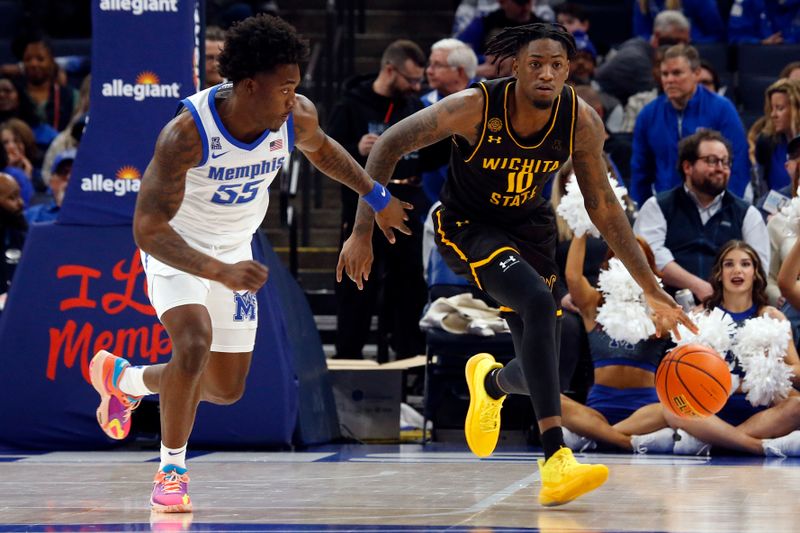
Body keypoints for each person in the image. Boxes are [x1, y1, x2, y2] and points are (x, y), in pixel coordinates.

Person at [337, 22, 694, 506]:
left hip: (531, 230)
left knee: (539, 367)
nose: (546, 74)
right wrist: (364, 227)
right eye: (535, 64)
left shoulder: (581, 120)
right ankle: (555, 461)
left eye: (557, 66)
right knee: (536, 304)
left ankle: (488, 382)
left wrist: (650, 286)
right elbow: (387, 146)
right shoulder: (475, 106)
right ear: (516, 67)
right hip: (469, 227)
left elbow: (604, 207)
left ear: (568, 70)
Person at [87, 14, 412, 513]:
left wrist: (376, 192)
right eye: (283, 89)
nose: (292, 99)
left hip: (237, 249)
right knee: (192, 345)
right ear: (247, 85)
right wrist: (216, 272)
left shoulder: (295, 115)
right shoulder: (185, 135)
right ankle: (171, 469)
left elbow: (323, 151)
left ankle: (124, 381)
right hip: (180, 249)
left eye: (295, 88)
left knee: (223, 388)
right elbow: (148, 230)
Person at [327, 40, 430, 360]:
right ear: (389, 69)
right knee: (357, 289)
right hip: (364, 208)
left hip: (407, 205)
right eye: (410, 80)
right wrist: (356, 150)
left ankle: (408, 362)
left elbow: (434, 153)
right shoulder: (350, 105)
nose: (415, 87)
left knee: (410, 288)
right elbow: (326, 154)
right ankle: (348, 358)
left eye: (418, 81)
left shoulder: (414, 107)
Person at [663, 240, 800, 456]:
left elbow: (798, 370)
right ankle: (757, 446)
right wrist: (730, 385)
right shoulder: (699, 316)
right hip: (710, 410)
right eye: (729, 264)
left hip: (761, 413)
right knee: (672, 408)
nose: (737, 270)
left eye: (745, 264)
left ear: (755, 273)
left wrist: (771, 372)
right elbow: (683, 374)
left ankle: (713, 443)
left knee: (796, 406)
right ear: (719, 273)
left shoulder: (773, 316)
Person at [634, 129, 768, 303]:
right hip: (667, 307)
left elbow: (759, 269)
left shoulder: (747, 214)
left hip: (728, 309)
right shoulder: (658, 206)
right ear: (687, 167)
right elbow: (648, 256)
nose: (720, 168)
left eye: (725, 162)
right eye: (712, 161)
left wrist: (721, 299)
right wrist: (697, 286)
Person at [630, 44, 750, 205]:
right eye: (665, 74)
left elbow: (738, 162)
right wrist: (641, 211)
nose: (669, 80)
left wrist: (728, 209)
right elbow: (640, 171)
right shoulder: (648, 115)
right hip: (666, 208)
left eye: (677, 73)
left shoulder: (722, 108)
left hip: (713, 206)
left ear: (696, 73)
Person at [421, 39, 477, 204]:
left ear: (460, 72)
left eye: (437, 65)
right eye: (429, 64)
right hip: (428, 206)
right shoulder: (421, 105)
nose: (429, 71)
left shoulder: (490, 103)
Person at [595, 10, 690, 105]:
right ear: (657, 36)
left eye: (685, 43)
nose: (681, 47)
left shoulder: (642, 46)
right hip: (601, 107)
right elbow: (661, 95)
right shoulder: (636, 59)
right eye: (676, 41)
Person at [754, 79, 800, 199]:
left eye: (779, 108)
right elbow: (761, 189)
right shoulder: (765, 142)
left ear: (796, 109)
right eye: (772, 109)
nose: (773, 115)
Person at [25, 148, 73, 224]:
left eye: (75, 172)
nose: (69, 177)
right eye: (63, 172)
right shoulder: (32, 215)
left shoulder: (93, 215)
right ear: (51, 182)